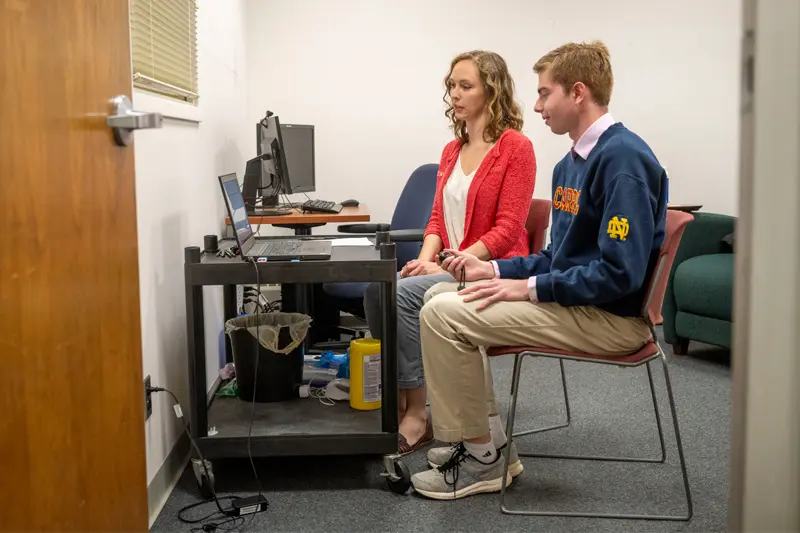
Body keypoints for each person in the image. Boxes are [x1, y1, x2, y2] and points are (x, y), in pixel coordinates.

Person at [410, 40, 668, 500]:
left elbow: (619, 276)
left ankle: (483, 460)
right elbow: (557, 256)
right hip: (581, 303)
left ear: (578, 93)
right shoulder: (572, 163)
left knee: (442, 314)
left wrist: (527, 289)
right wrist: (493, 271)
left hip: (611, 319)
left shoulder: (623, 160)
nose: (536, 105)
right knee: (437, 296)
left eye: (545, 93)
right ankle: (489, 445)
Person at [363, 50, 536, 455]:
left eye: (466, 86)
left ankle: (418, 415)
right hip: (450, 265)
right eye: (452, 86)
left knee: (406, 295)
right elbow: (438, 218)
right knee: (377, 289)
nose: (455, 95)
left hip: (489, 270)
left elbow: (509, 230)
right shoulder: (451, 150)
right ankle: (404, 398)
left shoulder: (516, 148)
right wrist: (427, 258)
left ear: (491, 91)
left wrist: (455, 261)